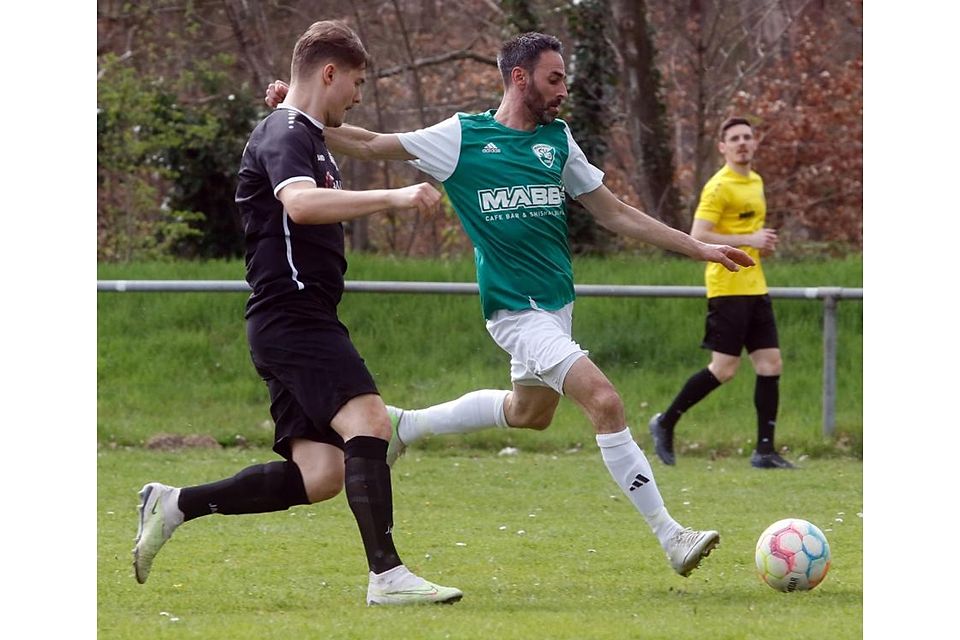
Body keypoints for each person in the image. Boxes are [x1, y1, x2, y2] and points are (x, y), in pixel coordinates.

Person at [265, 32, 754, 577]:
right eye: (554, 78)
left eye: (565, 78)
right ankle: (671, 535)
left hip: (555, 308)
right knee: (606, 401)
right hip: (515, 311)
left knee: (530, 414)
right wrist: (296, 107)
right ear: (519, 78)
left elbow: (615, 213)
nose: (564, 89)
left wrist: (700, 248)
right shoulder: (462, 137)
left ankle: (407, 427)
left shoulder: (558, 142)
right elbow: (372, 142)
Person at [132, 20, 463, 606]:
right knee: (370, 422)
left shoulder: (300, 128)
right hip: (293, 314)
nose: (358, 95)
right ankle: (387, 576)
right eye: (355, 82)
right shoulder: (286, 131)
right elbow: (302, 204)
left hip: (289, 316)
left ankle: (176, 503)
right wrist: (395, 196)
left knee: (322, 475)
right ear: (329, 73)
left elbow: (358, 139)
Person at [647, 117, 795, 469]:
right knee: (724, 369)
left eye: (747, 137)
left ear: (754, 143)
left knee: (770, 363)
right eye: (735, 138)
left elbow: (747, 231)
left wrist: (760, 244)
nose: (742, 143)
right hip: (727, 286)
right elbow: (698, 234)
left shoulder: (756, 181)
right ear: (722, 147)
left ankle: (764, 451)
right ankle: (665, 422)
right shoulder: (718, 186)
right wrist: (750, 239)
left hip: (756, 284)